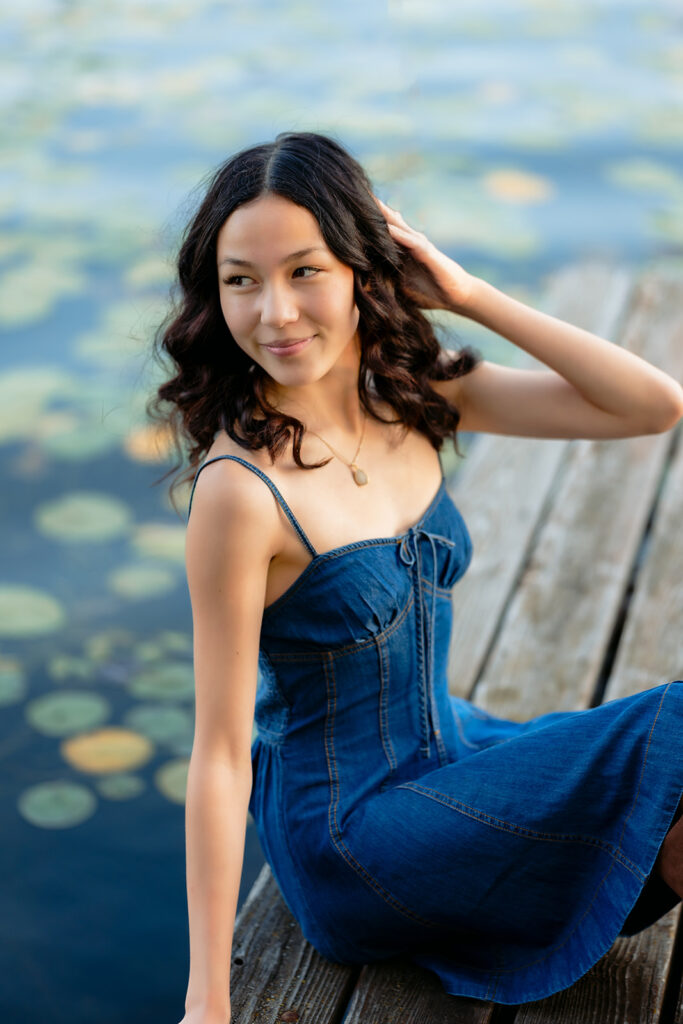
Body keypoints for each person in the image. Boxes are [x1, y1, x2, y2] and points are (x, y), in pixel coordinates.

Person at [148, 131, 683, 1023]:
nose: (275, 312)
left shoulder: (411, 391)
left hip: (454, 749)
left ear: (366, 267)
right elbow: (216, 754)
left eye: (306, 270)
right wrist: (208, 998)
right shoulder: (240, 494)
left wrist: (469, 294)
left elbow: (650, 405)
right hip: (351, 836)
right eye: (240, 279)